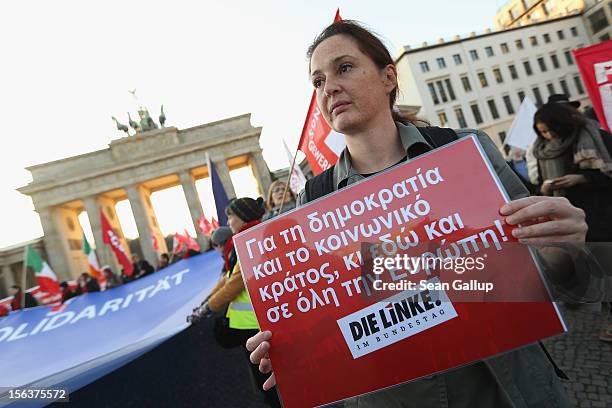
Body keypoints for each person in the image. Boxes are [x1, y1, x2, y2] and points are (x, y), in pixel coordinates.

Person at [246, 20, 590, 407]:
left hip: (506, 389)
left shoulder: (466, 152)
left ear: (388, 76)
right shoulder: (313, 201)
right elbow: (333, 318)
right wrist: (298, 351)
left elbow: (547, 280)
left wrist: (563, 247)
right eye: (318, 81)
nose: (330, 88)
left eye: (344, 68)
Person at [192, 198, 281, 408]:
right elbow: (228, 277)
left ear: (242, 216)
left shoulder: (252, 239)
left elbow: (236, 282)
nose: (228, 221)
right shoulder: (240, 241)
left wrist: (207, 308)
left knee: (270, 383)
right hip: (248, 324)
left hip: (256, 323)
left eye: (231, 215)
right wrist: (206, 301)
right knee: (265, 382)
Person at [533, 102, 612, 242]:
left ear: (562, 123)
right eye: (543, 132)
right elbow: (540, 186)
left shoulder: (596, 137)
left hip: (604, 212)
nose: (549, 135)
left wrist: (582, 178)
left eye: (552, 129)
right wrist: (545, 189)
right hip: (572, 223)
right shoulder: (544, 152)